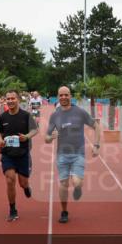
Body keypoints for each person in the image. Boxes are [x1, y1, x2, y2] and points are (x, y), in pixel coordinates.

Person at [45, 86, 101, 224]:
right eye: (61, 95)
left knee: (76, 182)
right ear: (58, 97)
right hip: (62, 155)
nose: (64, 97)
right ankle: (64, 211)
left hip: (78, 154)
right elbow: (46, 138)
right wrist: (51, 137)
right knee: (63, 183)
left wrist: (96, 145)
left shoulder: (80, 112)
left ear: (70, 96)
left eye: (66, 95)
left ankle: (78, 188)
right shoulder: (55, 115)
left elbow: (96, 126)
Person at [0, 90, 37, 221]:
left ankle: (26, 187)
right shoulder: (2, 117)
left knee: (22, 183)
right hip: (7, 154)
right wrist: (0, 140)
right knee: (10, 180)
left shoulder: (26, 115)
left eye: (13, 98)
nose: (10, 101)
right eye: (8, 99)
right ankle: (13, 210)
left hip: (23, 154)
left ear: (18, 100)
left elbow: (35, 129)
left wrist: (27, 137)